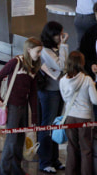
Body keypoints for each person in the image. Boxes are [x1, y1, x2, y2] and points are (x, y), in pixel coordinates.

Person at [0, 38, 41, 175]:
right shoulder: (16, 62)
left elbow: (32, 93)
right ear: (29, 50)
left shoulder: (33, 67)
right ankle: (5, 170)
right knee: (12, 140)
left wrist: (35, 116)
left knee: (20, 139)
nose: (39, 54)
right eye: (37, 51)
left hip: (23, 106)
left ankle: (16, 168)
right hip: (13, 106)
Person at [60, 51, 97, 175]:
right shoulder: (87, 80)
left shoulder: (63, 80)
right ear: (82, 63)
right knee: (86, 149)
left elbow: (65, 99)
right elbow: (95, 100)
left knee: (71, 148)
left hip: (70, 117)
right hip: (84, 118)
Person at [38, 21, 68, 174]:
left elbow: (65, 65)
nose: (61, 37)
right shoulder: (45, 51)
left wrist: (62, 47)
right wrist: (64, 46)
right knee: (47, 125)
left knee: (57, 124)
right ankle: (44, 161)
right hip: (49, 92)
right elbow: (62, 65)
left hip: (58, 90)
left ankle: (54, 158)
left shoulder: (56, 48)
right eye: (58, 34)